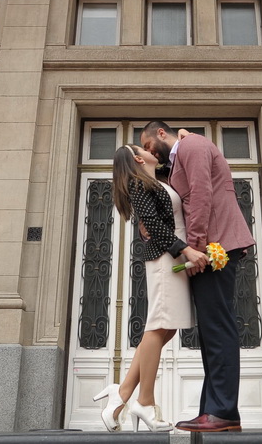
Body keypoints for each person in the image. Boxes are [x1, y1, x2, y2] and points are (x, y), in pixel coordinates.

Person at [140, 121, 256, 433]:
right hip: (213, 246)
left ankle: (222, 411)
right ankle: (215, 410)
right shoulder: (184, 153)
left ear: (161, 134)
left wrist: (195, 249)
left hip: (215, 248)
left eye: (148, 145)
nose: (151, 152)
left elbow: (202, 195)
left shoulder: (190, 146)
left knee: (217, 328)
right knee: (212, 330)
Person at [93, 143, 203, 432]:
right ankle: (145, 400)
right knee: (158, 325)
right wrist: (186, 251)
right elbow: (153, 223)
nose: (152, 148)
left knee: (167, 327)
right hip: (166, 259)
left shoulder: (157, 181)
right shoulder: (140, 186)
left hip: (171, 257)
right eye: (143, 147)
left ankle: (123, 391)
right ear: (139, 158)